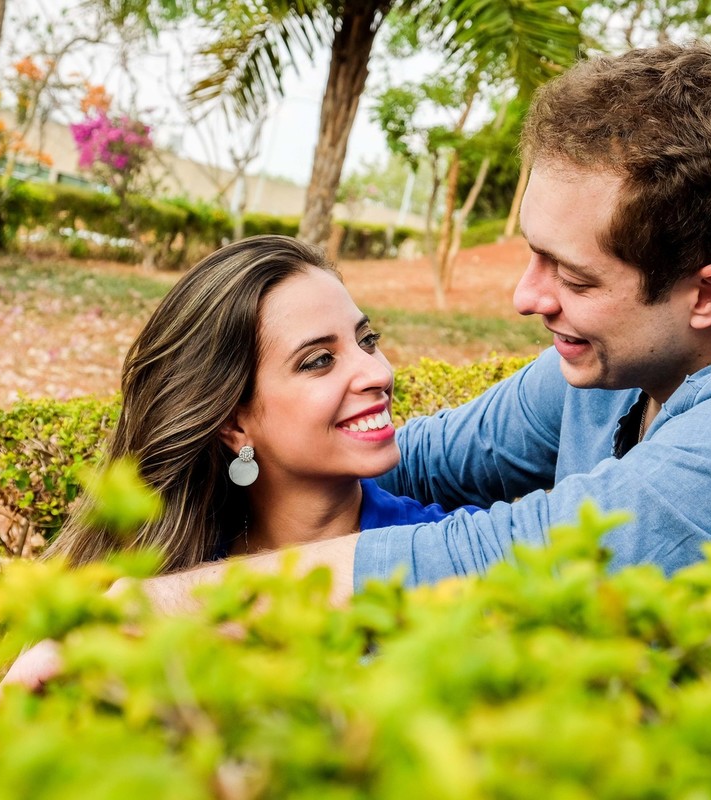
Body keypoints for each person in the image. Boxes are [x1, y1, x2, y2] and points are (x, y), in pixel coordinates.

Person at [0, 42, 711, 704]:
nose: (525, 295)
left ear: (710, 293)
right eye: (534, 254)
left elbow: (495, 562)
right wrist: (233, 454)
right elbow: (415, 453)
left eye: (573, 275)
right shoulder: (624, 367)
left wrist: (157, 609)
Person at [46, 233, 472, 572]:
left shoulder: (453, 560)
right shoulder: (161, 574)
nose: (379, 374)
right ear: (234, 425)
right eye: (319, 360)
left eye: (368, 340)